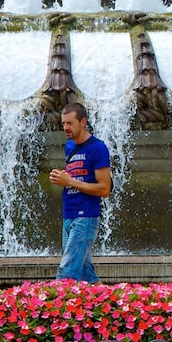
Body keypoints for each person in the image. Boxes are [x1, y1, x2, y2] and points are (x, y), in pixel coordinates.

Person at [49, 102, 111, 283]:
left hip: (86, 216)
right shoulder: (69, 147)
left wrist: (69, 181)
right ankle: (112, 305)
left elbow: (104, 189)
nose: (65, 128)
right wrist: (63, 179)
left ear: (83, 122)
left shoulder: (97, 148)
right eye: (63, 124)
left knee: (67, 271)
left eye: (70, 123)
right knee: (86, 274)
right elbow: (77, 180)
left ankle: (56, 308)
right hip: (69, 214)